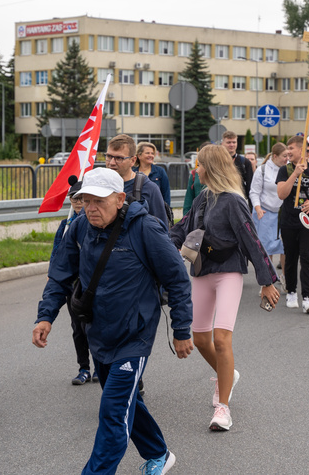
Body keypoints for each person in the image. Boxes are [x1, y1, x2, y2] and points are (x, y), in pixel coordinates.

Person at [34, 168, 193, 474]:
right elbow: (60, 276)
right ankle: (159, 453)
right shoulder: (79, 227)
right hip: (99, 333)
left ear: (120, 199)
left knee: (113, 411)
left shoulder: (146, 228)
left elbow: (177, 279)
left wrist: (182, 329)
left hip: (135, 337)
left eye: (99, 201)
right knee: (123, 402)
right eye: (85, 200)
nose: (91, 208)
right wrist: (46, 317)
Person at [170, 145, 279, 431]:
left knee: (221, 339)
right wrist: (155, 240)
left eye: (199, 165)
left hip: (229, 273)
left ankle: (223, 407)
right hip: (201, 272)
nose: (196, 170)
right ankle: (226, 372)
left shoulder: (233, 200)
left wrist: (266, 280)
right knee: (200, 338)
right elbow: (182, 229)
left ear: (211, 167)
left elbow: (251, 239)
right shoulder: (203, 198)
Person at [47, 181, 94, 386]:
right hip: (72, 284)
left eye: (80, 198)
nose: (76, 202)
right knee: (77, 327)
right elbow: (58, 251)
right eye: (72, 198)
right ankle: (83, 368)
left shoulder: (91, 223)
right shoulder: (66, 224)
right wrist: (53, 275)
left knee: (92, 326)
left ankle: (101, 365)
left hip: (89, 284)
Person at [276, 135, 309, 314]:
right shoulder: (285, 170)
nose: (288, 152)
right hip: (289, 221)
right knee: (290, 258)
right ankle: (291, 292)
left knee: (307, 258)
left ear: (303, 150)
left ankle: (307, 298)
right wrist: (296, 174)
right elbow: (281, 194)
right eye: (287, 149)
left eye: (291, 148)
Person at [105, 135, 169, 227]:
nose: (111, 162)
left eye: (119, 158)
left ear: (132, 160)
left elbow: (162, 230)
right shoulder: (99, 185)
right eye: (109, 156)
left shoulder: (149, 189)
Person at [249, 142, 287, 275]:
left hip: (283, 213)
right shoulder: (262, 170)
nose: (287, 158)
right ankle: (268, 279)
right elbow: (254, 192)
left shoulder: (288, 169)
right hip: (265, 213)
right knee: (266, 249)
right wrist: (258, 208)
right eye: (284, 156)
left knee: (285, 247)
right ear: (275, 156)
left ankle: (285, 278)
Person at [134, 141, 172, 217]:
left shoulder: (160, 171)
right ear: (139, 155)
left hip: (157, 212)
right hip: (137, 212)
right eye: (147, 153)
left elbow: (166, 194)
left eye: (152, 153)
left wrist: (166, 213)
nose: (151, 155)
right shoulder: (133, 172)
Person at [221, 131, 254, 201]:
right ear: (222, 143)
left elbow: (250, 185)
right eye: (228, 142)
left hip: (240, 199)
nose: (232, 145)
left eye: (234, 142)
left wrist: (250, 207)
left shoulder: (245, 162)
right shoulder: (218, 161)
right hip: (221, 199)